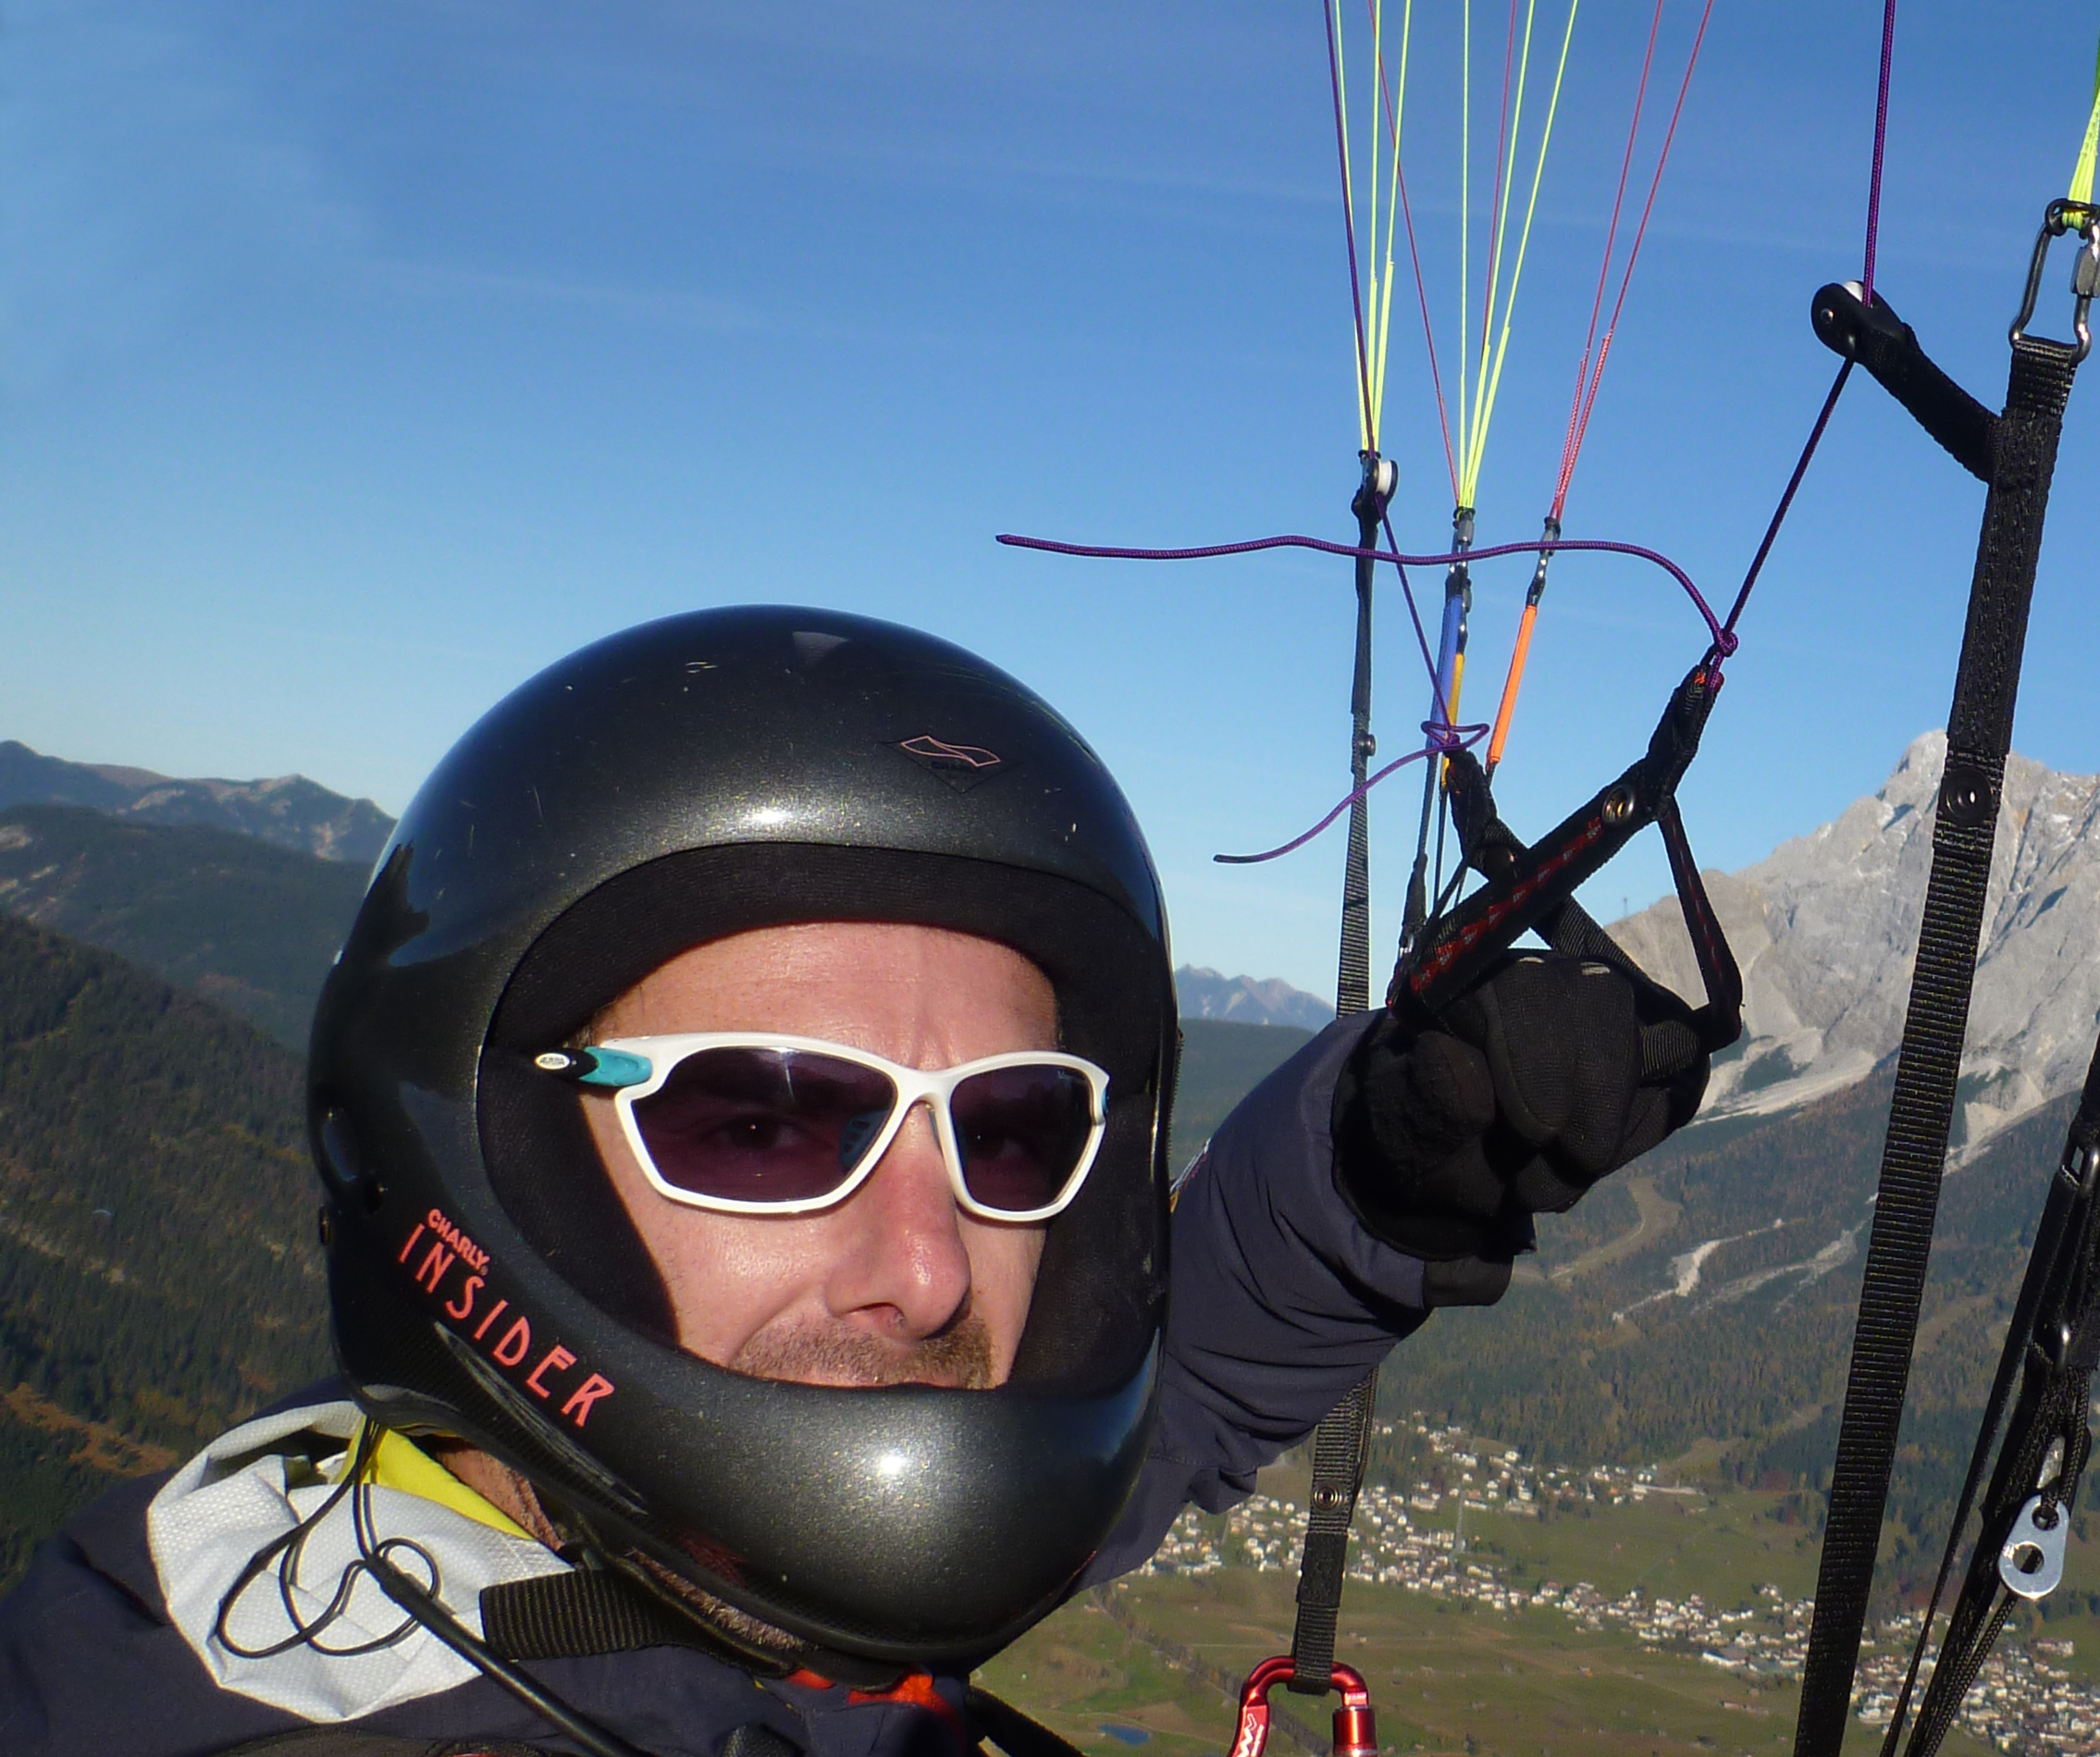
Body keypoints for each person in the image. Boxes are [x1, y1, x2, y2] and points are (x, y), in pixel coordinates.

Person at [0, 606, 1733, 1756]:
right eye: (761, 1119)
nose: (929, 1267)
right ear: (492, 1158)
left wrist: (1375, 1175)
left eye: (1014, 1135)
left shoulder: (700, 1577)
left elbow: (1138, 1412)